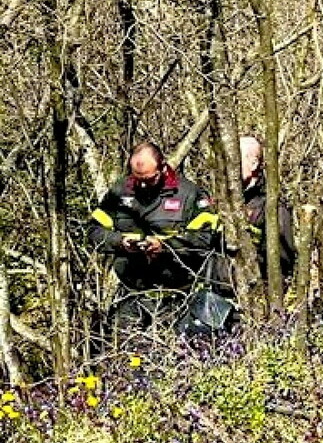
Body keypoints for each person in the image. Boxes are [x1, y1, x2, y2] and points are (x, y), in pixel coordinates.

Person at [88, 142, 220, 335]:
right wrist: (120, 241)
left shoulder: (189, 194)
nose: (142, 185)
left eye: (148, 180)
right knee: (130, 361)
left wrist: (165, 246)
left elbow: (204, 240)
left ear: (163, 168)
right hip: (132, 296)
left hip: (177, 299)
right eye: (137, 179)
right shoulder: (119, 192)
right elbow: (93, 232)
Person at [239, 135, 296, 279]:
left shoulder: (272, 207)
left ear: (253, 164)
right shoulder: (224, 202)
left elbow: (282, 265)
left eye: (237, 159)